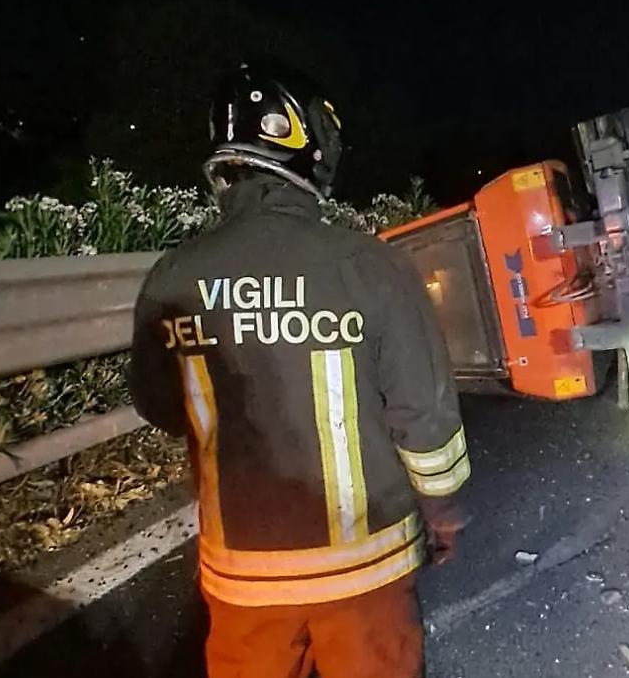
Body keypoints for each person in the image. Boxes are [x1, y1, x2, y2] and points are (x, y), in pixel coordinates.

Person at [129, 63, 469, 678]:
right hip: (366, 573)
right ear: (307, 145)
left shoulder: (171, 278)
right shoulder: (370, 266)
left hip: (242, 577)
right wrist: (442, 511)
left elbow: (156, 403)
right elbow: (425, 414)